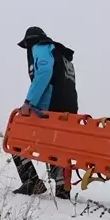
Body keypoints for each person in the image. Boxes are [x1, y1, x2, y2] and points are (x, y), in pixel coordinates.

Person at [13, 26, 78, 199]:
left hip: (50, 106)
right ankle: (63, 191)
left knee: (16, 137)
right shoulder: (61, 54)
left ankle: (31, 182)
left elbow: (44, 73)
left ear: (30, 42)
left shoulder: (41, 48)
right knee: (57, 147)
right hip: (69, 108)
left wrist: (29, 102)